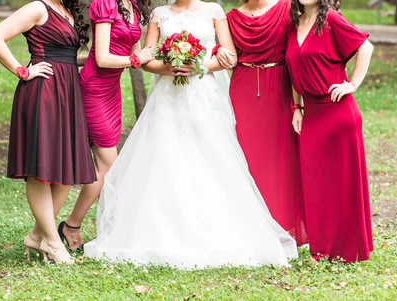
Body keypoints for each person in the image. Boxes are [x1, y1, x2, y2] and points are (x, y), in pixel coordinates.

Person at [84, 0, 297, 268]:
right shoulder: (159, 15)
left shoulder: (214, 11)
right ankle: (156, 230)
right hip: (167, 94)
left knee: (211, 154)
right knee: (164, 156)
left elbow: (230, 56)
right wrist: (168, 67)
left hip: (203, 94)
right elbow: (147, 60)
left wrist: (196, 66)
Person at [0, 0, 96, 263]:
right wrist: (22, 71)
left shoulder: (67, 11)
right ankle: (54, 245)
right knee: (41, 170)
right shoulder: (38, 7)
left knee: (64, 174)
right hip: (42, 93)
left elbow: (64, 56)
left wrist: (97, 62)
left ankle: (37, 236)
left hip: (67, 94)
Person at [57, 0, 155, 251]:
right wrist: (136, 59)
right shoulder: (105, 4)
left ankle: (89, 225)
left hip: (112, 92)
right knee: (110, 166)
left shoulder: (133, 6)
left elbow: (138, 55)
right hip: (93, 90)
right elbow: (102, 58)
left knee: (107, 166)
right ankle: (76, 225)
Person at [285, 0, 374, 262]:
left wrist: (353, 84)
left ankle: (348, 249)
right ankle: (321, 248)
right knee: (316, 183)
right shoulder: (294, 25)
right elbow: (293, 71)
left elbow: (365, 47)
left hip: (338, 112)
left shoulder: (332, 20)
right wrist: (296, 108)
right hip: (311, 113)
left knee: (343, 184)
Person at [218, 0, 307, 245]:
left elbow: (302, 47)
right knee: (246, 155)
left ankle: (283, 224)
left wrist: (299, 104)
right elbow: (224, 52)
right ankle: (248, 226)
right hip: (243, 87)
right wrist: (219, 52)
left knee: (280, 157)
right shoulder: (230, 17)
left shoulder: (288, 8)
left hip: (279, 86)